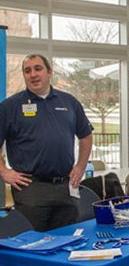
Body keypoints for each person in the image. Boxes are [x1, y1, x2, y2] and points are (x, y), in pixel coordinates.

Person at [0, 54, 93, 232]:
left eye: (38, 68)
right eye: (27, 71)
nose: (33, 74)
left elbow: (86, 136)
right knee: (33, 246)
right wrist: (4, 171)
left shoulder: (69, 102)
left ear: (49, 72)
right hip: (30, 189)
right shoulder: (9, 107)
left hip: (66, 187)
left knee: (67, 241)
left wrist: (80, 166)